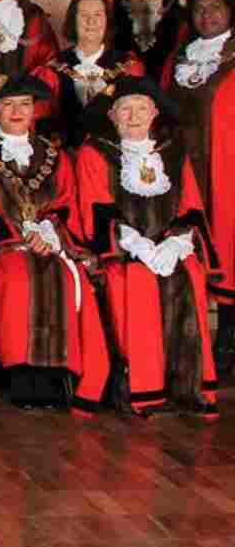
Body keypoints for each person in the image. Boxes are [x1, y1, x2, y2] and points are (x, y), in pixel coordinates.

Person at [0, 75, 110, 413]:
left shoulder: (55, 154)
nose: (17, 111)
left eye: (24, 104)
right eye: (8, 104)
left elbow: (66, 203)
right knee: (19, 279)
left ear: (35, 109)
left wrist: (49, 233)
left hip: (51, 241)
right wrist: (20, 237)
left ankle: (53, 376)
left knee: (65, 278)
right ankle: (21, 377)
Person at [75, 76, 217, 418]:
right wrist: (136, 245)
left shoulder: (174, 152)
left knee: (190, 274)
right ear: (112, 115)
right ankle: (142, 389)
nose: (133, 116)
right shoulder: (94, 153)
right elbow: (95, 207)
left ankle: (190, 387)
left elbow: (192, 206)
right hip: (122, 250)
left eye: (141, 108)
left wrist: (178, 241)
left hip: (170, 245)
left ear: (155, 113)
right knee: (135, 280)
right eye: (125, 109)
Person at [164, 0, 235, 373]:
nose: (207, 16)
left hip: (227, 166)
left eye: (216, 8)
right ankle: (189, 337)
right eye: (200, 9)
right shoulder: (180, 58)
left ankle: (227, 336)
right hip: (183, 167)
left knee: (228, 243)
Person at [36, 0, 142, 149]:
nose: (91, 21)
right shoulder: (53, 67)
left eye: (98, 15)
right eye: (83, 15)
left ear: (107, 20)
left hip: (115, 156)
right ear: (73, 21)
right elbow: (41, 117)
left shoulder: (128, 65)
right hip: (67, 154)